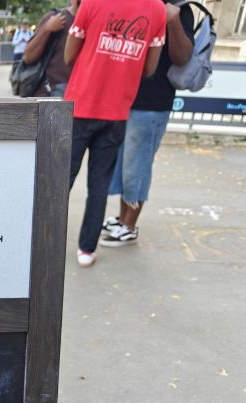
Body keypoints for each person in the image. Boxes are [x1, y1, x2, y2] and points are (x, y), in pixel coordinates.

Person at [63, 0, 166, 267]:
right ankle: (87, 249)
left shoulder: (92, 2)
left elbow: (68, 56)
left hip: (80, 106)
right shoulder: (157, 10)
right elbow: (149, 69)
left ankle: (42, 240)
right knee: (99, 184)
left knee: (61, 180)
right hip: (117, 111)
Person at [101, 1, 195, 246]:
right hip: (127, 100)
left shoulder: (179, 8)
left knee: (137, 167)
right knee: (125, 166)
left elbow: (182, 58)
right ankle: (122, 219)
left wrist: (173, 21)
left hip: (152, 102)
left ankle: (129, 226)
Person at [20, 0, 77, 97]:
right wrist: (47, 28)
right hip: (50, 92)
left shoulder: (95, 22)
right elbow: (28, 57)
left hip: (77, 93)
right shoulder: (57, 18)